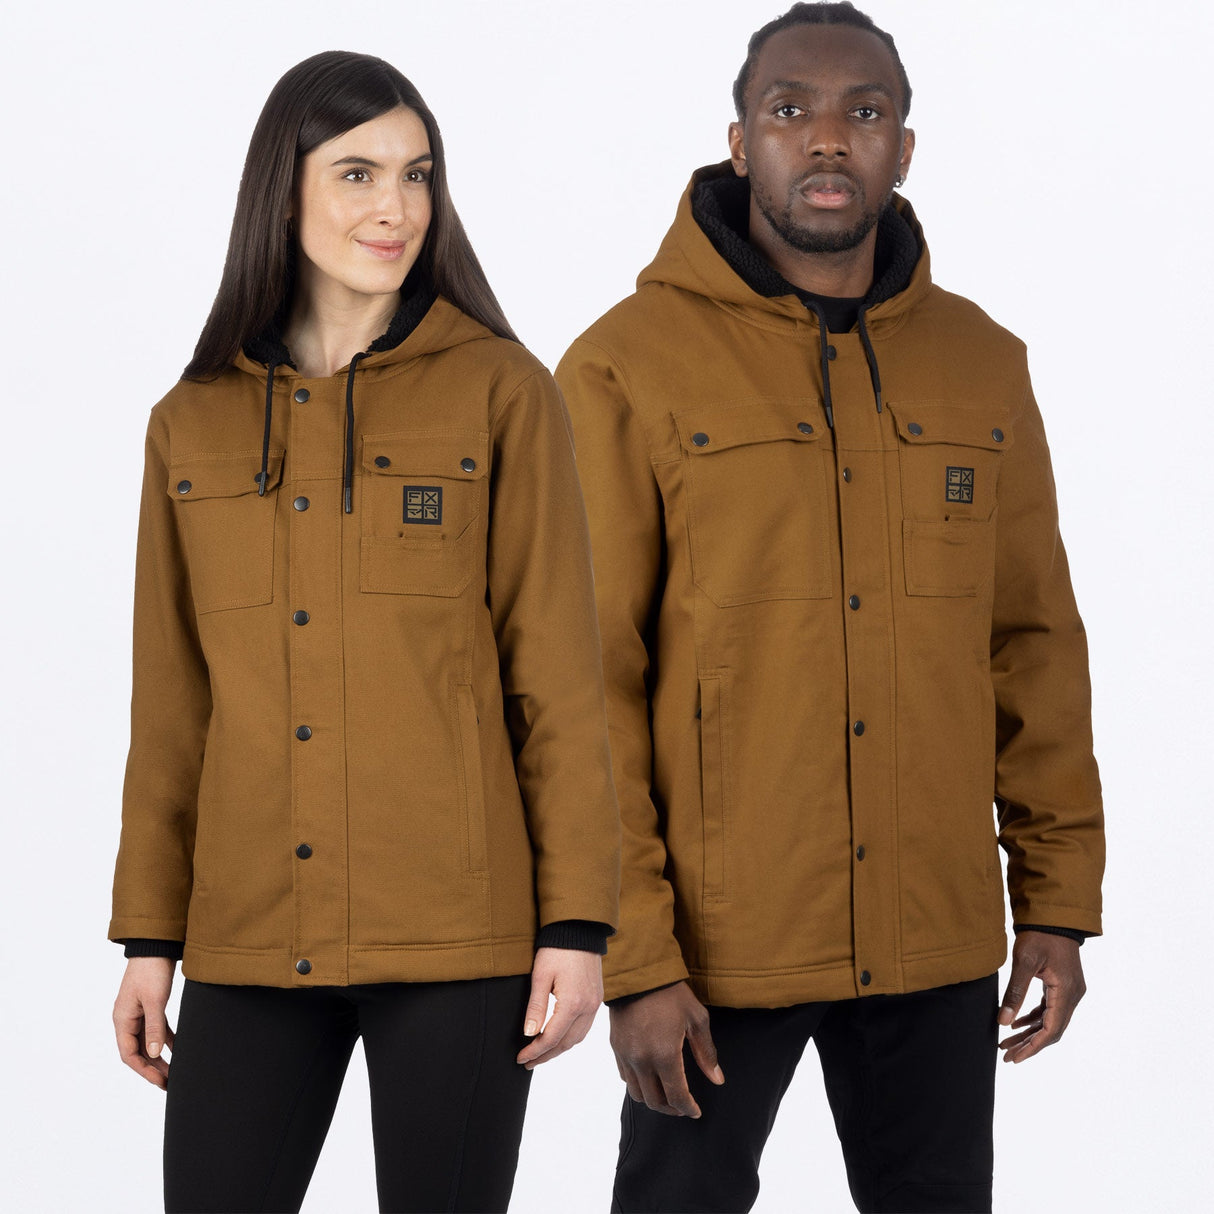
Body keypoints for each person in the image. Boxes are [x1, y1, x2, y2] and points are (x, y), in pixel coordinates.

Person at [555, 4, 1104, 1212]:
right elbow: (582, 677)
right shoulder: (621, 365)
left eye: (862, 112)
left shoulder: (982, 363)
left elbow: (1029, 642)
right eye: (788, 109)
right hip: (714, 949)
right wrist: (631, 952)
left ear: (901, 147)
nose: (824, 138)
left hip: (931, 935)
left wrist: (1055, 899)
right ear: (738, 141)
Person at [108, 51, 619, 1214]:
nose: (395, 207)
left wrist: (576, 922)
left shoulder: (502, 391)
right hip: (248, 927)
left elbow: (556, 677)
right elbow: (171, 703)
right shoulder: (190, 422)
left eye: (416, 174)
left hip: (457, 935)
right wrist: (148, 935)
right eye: (357, 173)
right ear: (280, 190)